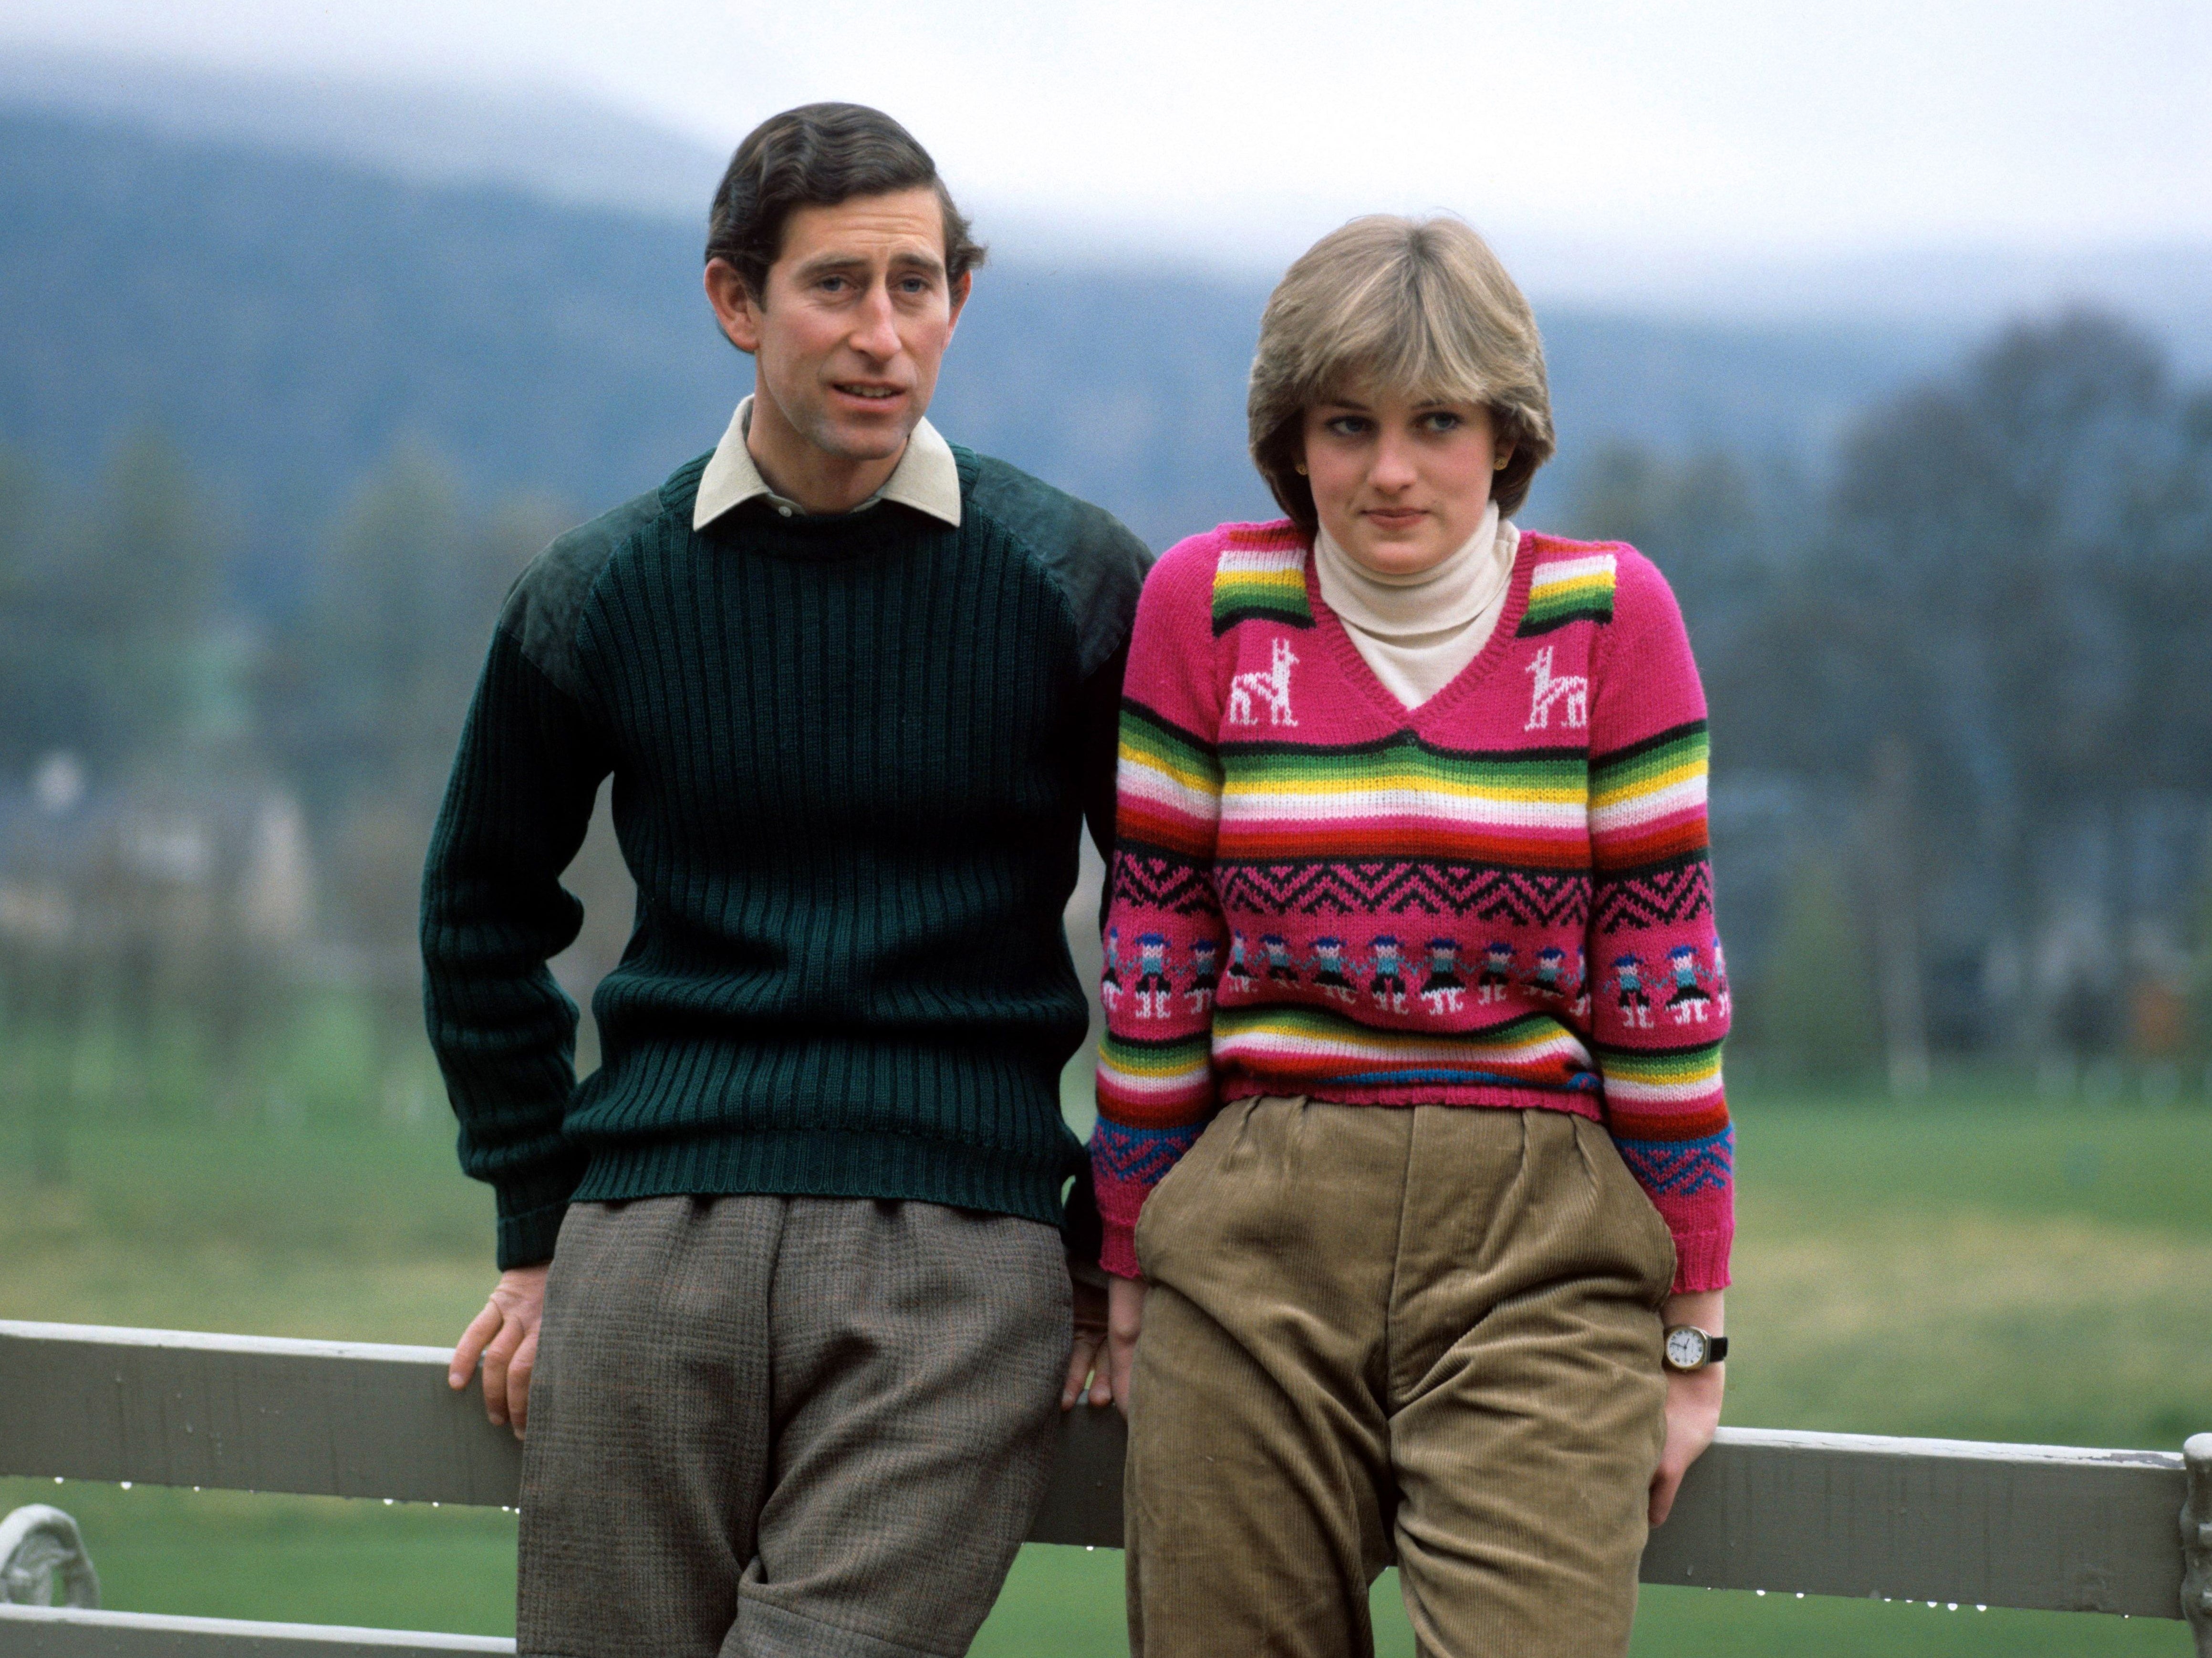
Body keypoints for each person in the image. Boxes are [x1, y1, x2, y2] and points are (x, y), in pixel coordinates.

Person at [421, 102, 1149, 1658]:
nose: (884, 334)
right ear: (735, 301)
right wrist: (537, 1220)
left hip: (960, 1248)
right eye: (837, 286)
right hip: (646, 1241)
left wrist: (1107, 1237)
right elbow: (481, 901)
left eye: (920, 284)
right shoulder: (601, 588)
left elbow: (1182, 923)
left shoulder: (1074, 582)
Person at [1085, 215, 1733, 1657]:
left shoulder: (1610, 620)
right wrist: (1127, 1259)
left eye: (1437, 421)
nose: (1390, 469)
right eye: (1347, 423)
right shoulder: (1207, 607)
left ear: (1507, 433)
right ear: (1290, 438)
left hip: (1542, 1238)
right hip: (1252, 1220)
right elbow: (1154, 964)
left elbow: (1664, 988)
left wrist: (1693, 1332)